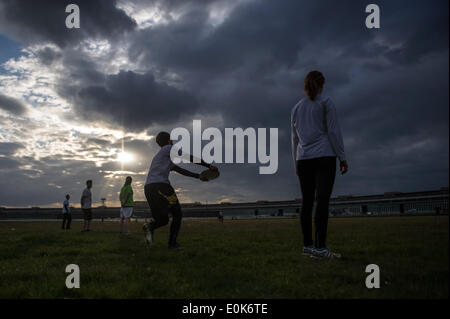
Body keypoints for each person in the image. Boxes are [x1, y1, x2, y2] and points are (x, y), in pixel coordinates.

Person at [291, 70, 348, 259]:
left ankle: (307, 245)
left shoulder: (296, 108)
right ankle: (320, 248)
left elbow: (294, 140)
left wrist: (296, 165)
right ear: (322, 84)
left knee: (307, 203)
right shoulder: (326, 103)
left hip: (303, 159)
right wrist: (342, 157)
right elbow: (333, 131)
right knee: (322, 201)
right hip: (324, 156)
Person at [142, 131, 218, 249]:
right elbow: (189, 157)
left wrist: (198, 176)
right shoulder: (168, 148)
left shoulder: (160, 157)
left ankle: (150, 226)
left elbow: (180, 170)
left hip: (148, 188)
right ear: (169, 140)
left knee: (163, 220)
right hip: (161, 186)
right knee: (177, 214)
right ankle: (172, 244)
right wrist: (208, 166)